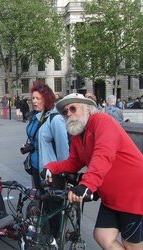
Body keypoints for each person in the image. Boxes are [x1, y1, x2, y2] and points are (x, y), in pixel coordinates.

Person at [42, 93, 143, 250]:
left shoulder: (102, 122)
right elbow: (74, 161)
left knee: (131, 245)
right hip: (111, 197)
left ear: (88, 110)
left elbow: (104, 153)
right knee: (103, 236)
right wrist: (51, 167)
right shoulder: (78, 134)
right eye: (65, 112)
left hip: (133, 193)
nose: (69, 113)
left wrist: (86, 185)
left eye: (73, 108)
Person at [23, 81, 69, 238]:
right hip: (37, 168)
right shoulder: (37, 116)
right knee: (42, 202)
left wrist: (63, 172)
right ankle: (46, 233)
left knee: (53, 207)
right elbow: (36, 137)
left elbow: (63, 149)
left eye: (38, 98)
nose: (34, 101)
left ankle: (55, 238)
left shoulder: (55, 119)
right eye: (33, 98)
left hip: (52, 171)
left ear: (47, 99)